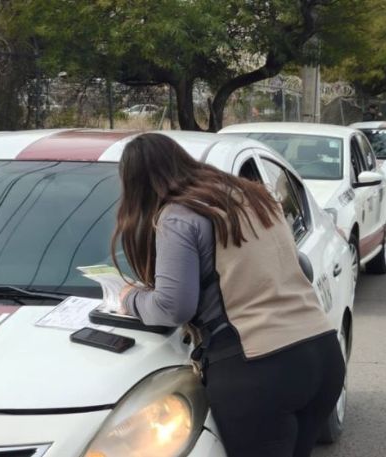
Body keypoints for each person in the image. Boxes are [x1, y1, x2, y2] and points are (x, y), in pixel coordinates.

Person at [113, 133, 345, 457]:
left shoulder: (178, 216)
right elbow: (300, 268)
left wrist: (128, 298)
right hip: (322, 354)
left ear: (136, 185)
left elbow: (173, 306)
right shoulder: (255, 197)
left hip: (260, 370)